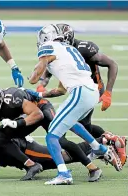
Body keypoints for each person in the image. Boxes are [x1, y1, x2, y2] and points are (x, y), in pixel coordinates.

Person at [28, 24, 121, 185]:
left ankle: (64, 174)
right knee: (69, 122)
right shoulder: (66, 49)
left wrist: (32, 79)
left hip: (81, 92)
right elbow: (61, 90)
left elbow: (35, 77)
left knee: (52, 136)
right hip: (91, 91)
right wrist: (42, 94)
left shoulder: (48, 48)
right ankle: (100, 148)